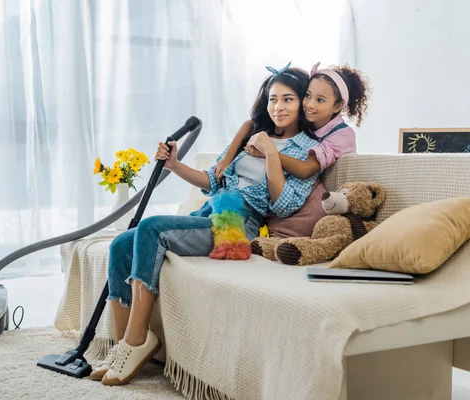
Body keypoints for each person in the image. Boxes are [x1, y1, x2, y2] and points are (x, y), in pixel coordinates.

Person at [91, 65, 320, 386]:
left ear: (301, 104)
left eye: (288, 99)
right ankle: (121, 345)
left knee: (151, 228)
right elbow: (213, 180)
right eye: (272, 99)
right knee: (120, 244)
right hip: (210, 213)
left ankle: (136, 340)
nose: (278, 107)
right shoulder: (251, 134)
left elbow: (282, 204)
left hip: (239, 225)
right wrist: (174, 164)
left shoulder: (304, 150)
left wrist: (270, 153)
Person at [214, 62, 370, 180]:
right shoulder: (306, 121)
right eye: (307, 96)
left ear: (338, 106)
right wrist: (228, 156)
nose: (310, 104)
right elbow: (252, 123)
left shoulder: (342, 135)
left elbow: (305, 170)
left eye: (320, 100)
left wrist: (268, 153)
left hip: (335, 196)